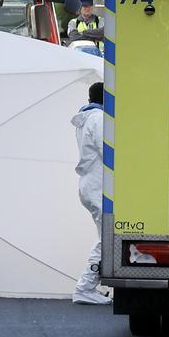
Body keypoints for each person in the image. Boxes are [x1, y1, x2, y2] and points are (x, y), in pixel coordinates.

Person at [71, 80, 110, 305]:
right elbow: (108, 153)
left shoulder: (85, 119)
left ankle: (89, 286)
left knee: (103, 236)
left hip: (90, 184)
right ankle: (85, 287)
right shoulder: (99, 119)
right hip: (99, 185)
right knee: (106, 238)